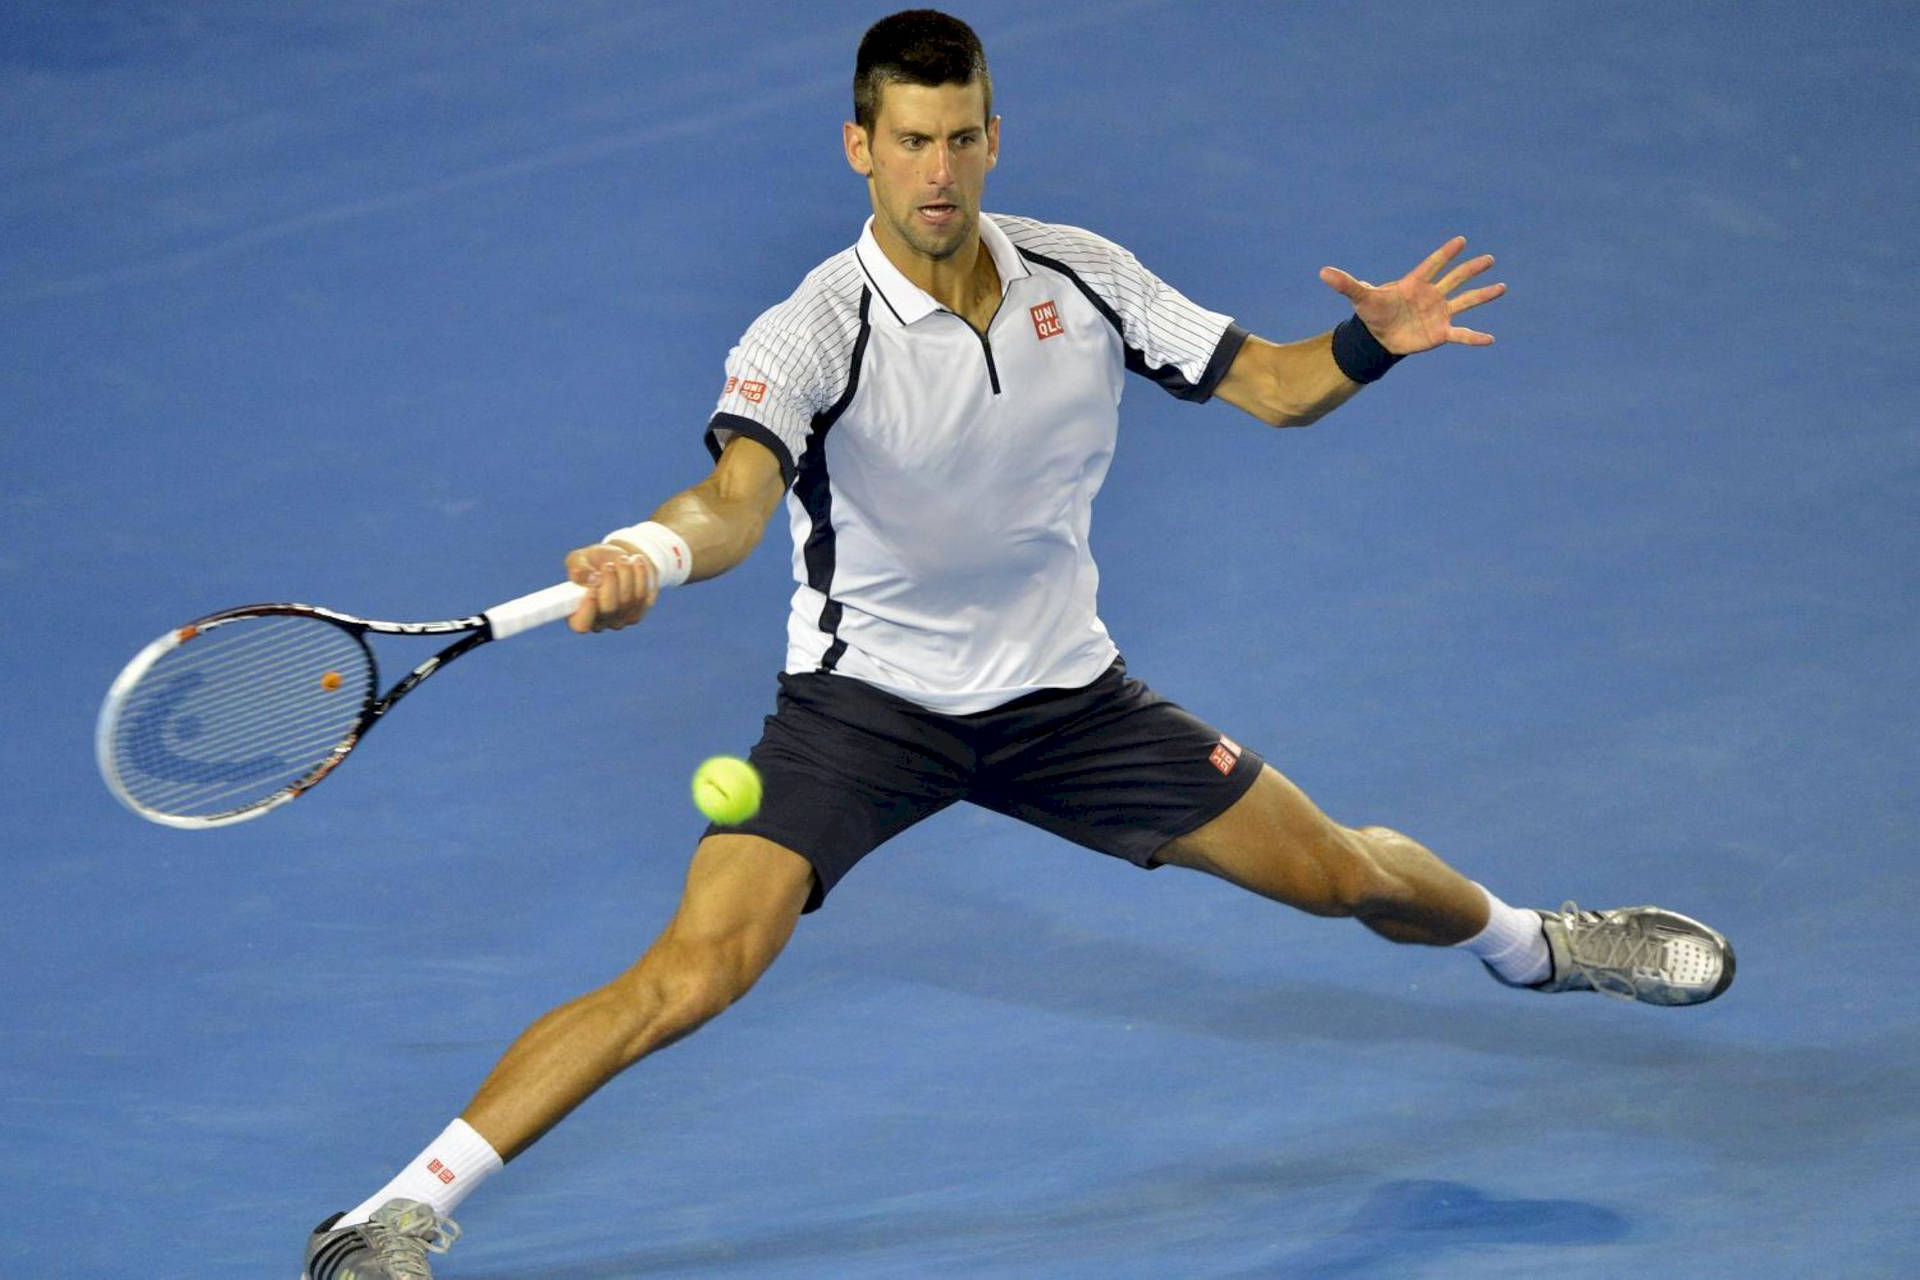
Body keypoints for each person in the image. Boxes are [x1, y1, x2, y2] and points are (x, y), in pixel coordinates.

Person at [301, 10, 1734, 1277]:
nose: (938, 172)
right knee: (695, 971)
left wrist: (1366, 346)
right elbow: (734, 501)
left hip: (1068, 702)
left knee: (1341, 876)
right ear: (859, 146)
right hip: (865, 710)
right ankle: (390, 1216)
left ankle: (1535, 947)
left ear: (995, 139)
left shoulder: (1086, 273)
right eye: (910, 140)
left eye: (962, 139)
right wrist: (651, 554)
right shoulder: (813, 329)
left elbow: (1277, 389)